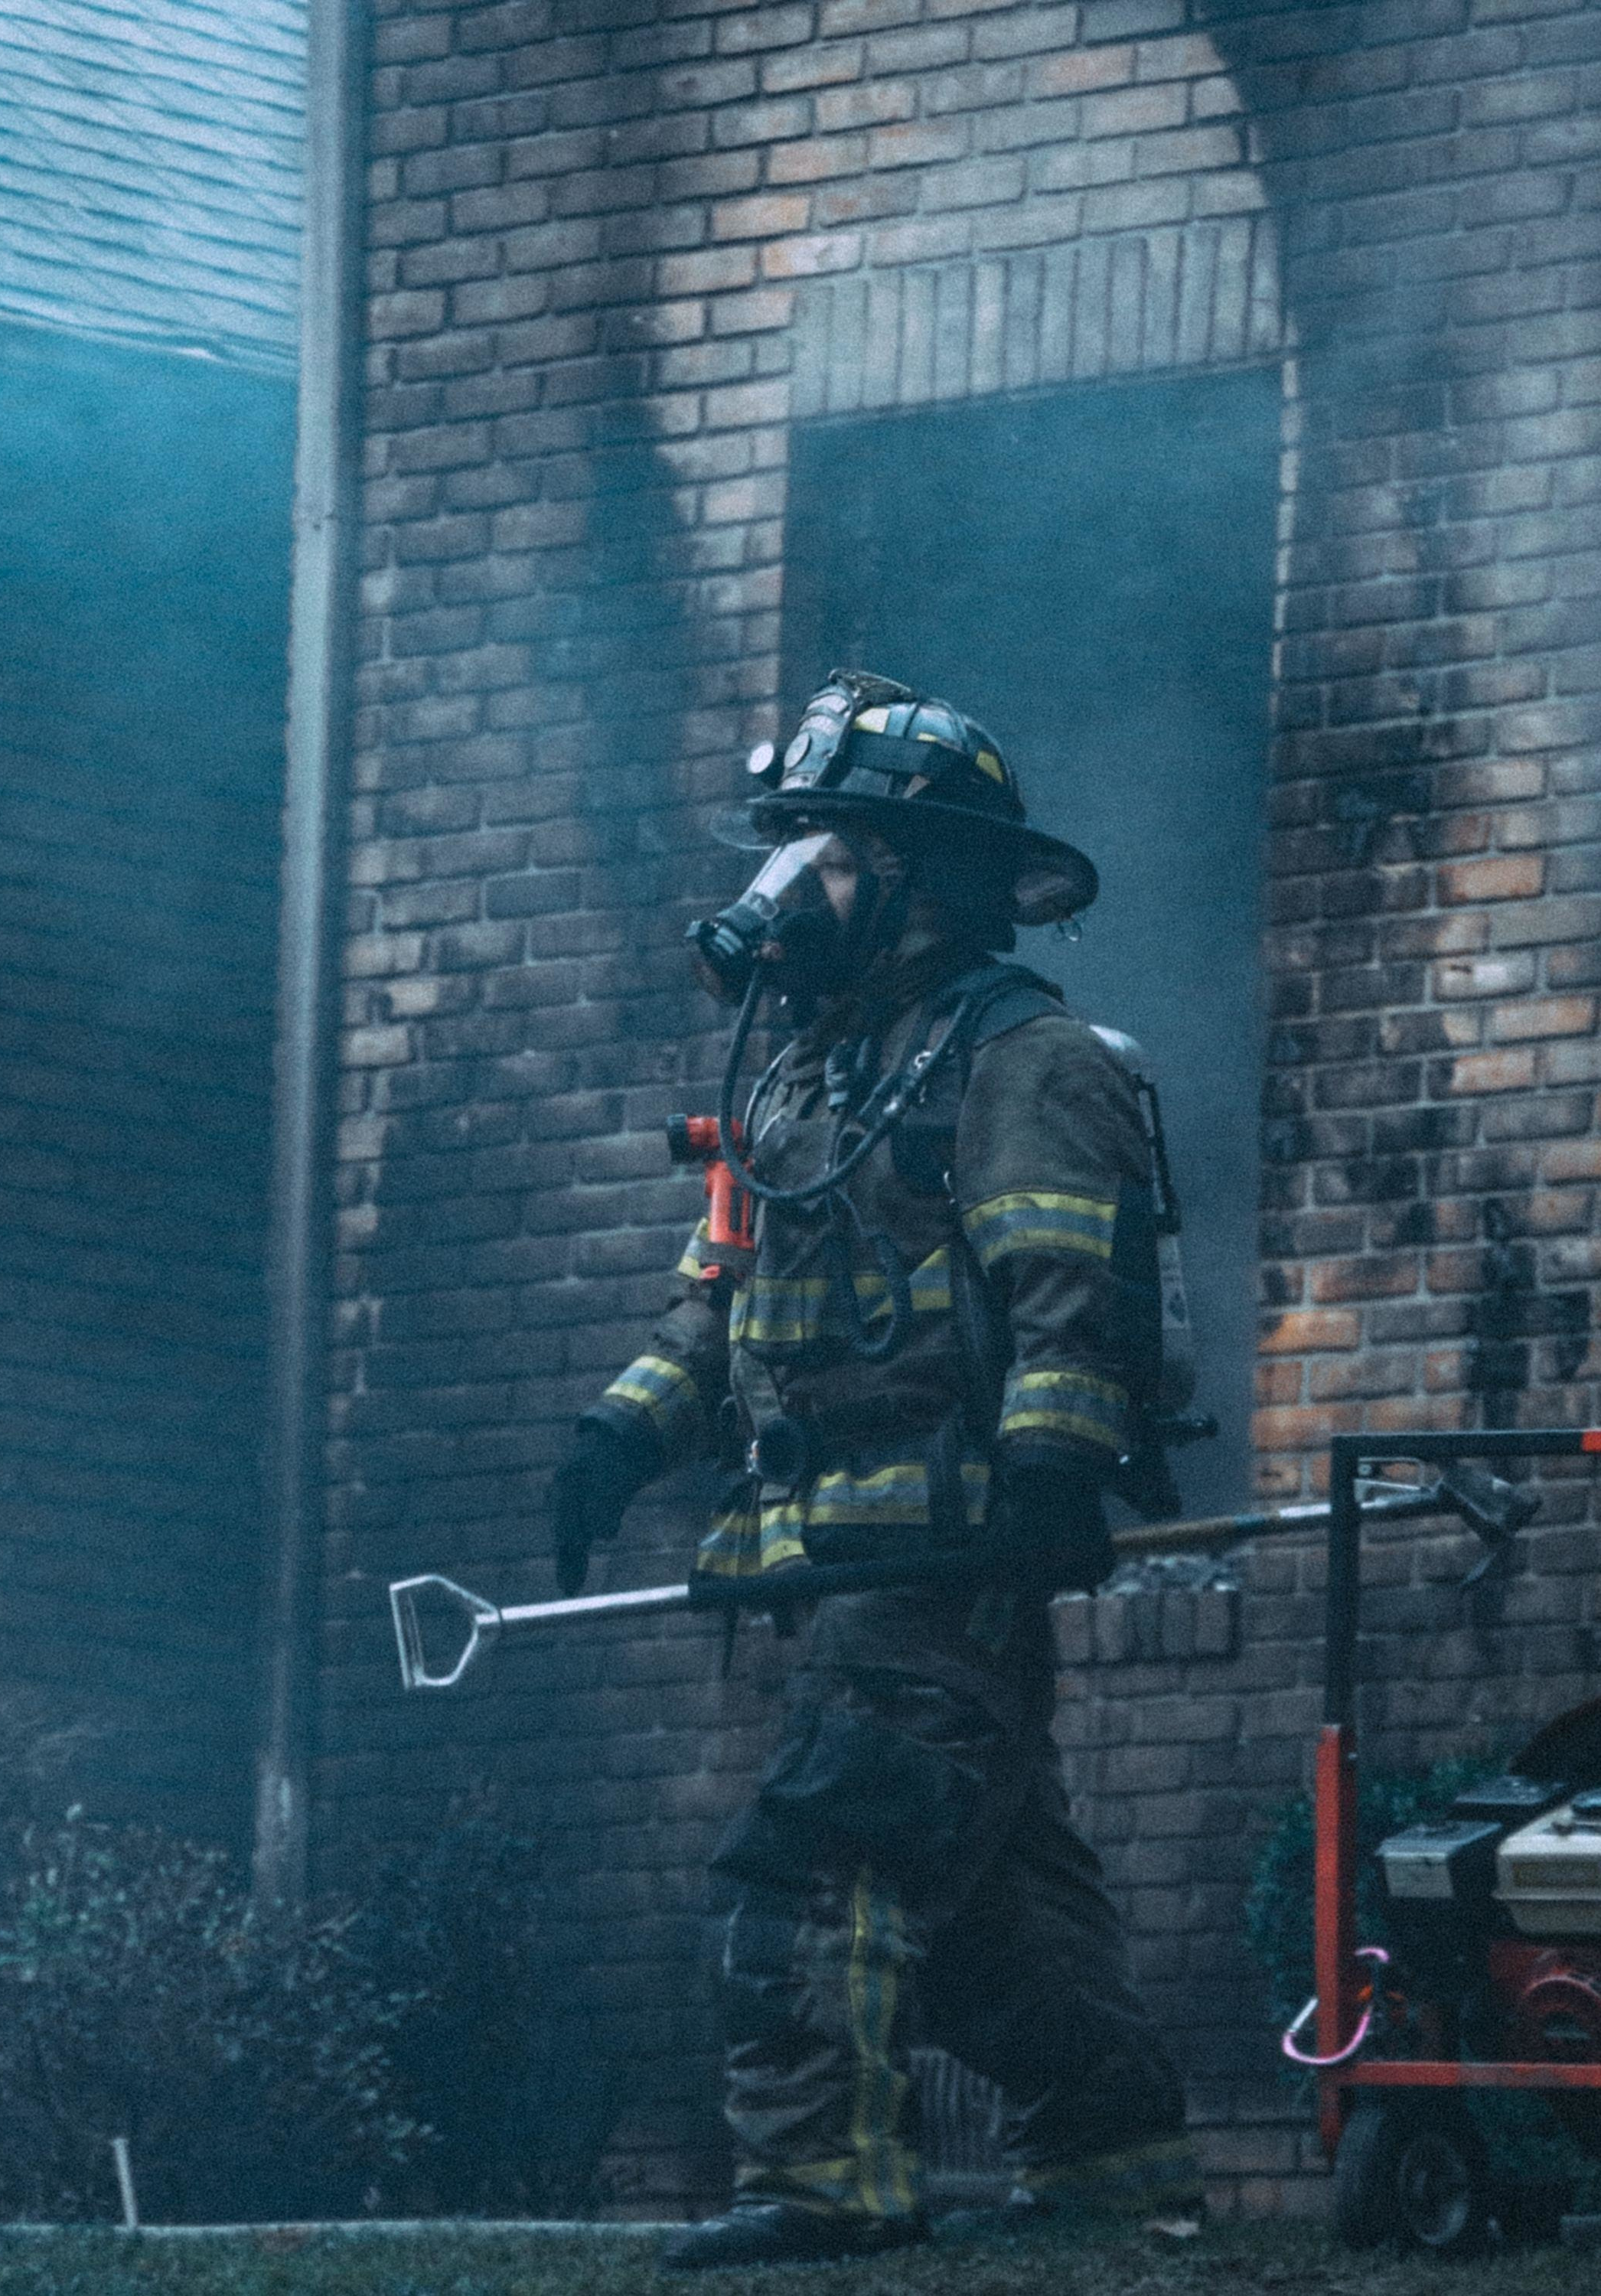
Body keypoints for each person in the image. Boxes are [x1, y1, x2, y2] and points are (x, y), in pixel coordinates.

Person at [550, 671, 1202, 2268]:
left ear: (924, 874)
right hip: (829, 1562)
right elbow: (719, 1306)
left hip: (942, 1557)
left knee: (818, 1864)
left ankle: (826, 2185)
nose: (788, 888)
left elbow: (1070, 1299)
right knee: (991, 1917)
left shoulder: (1025, 1061)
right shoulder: (799, 1081)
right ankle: (1117, 2162)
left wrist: (1050, 1477)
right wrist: (619, 1434)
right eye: (792, 851)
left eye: (830, 853)